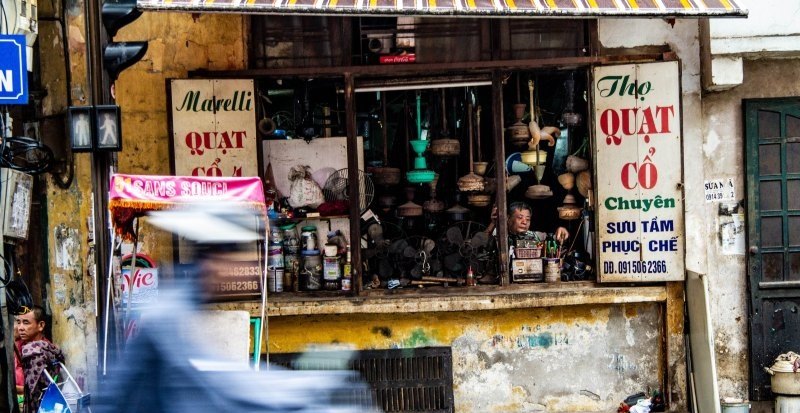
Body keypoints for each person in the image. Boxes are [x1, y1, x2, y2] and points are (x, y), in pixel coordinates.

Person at [15, 305, 65, 413]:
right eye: (18, 322)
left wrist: (11, 389)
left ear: (41, 325)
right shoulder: (25, 345)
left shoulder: (36, 354)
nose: (20, 327)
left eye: (26, 322)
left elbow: (33, 391)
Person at [486, 201, 569, 245]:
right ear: (508, 218)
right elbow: (476, 245)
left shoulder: (535, 236)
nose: (524, 222)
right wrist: (493, 223)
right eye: (520, 217)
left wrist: (561, 231)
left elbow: (556, 239)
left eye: (528, 219)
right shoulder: (497, 233)